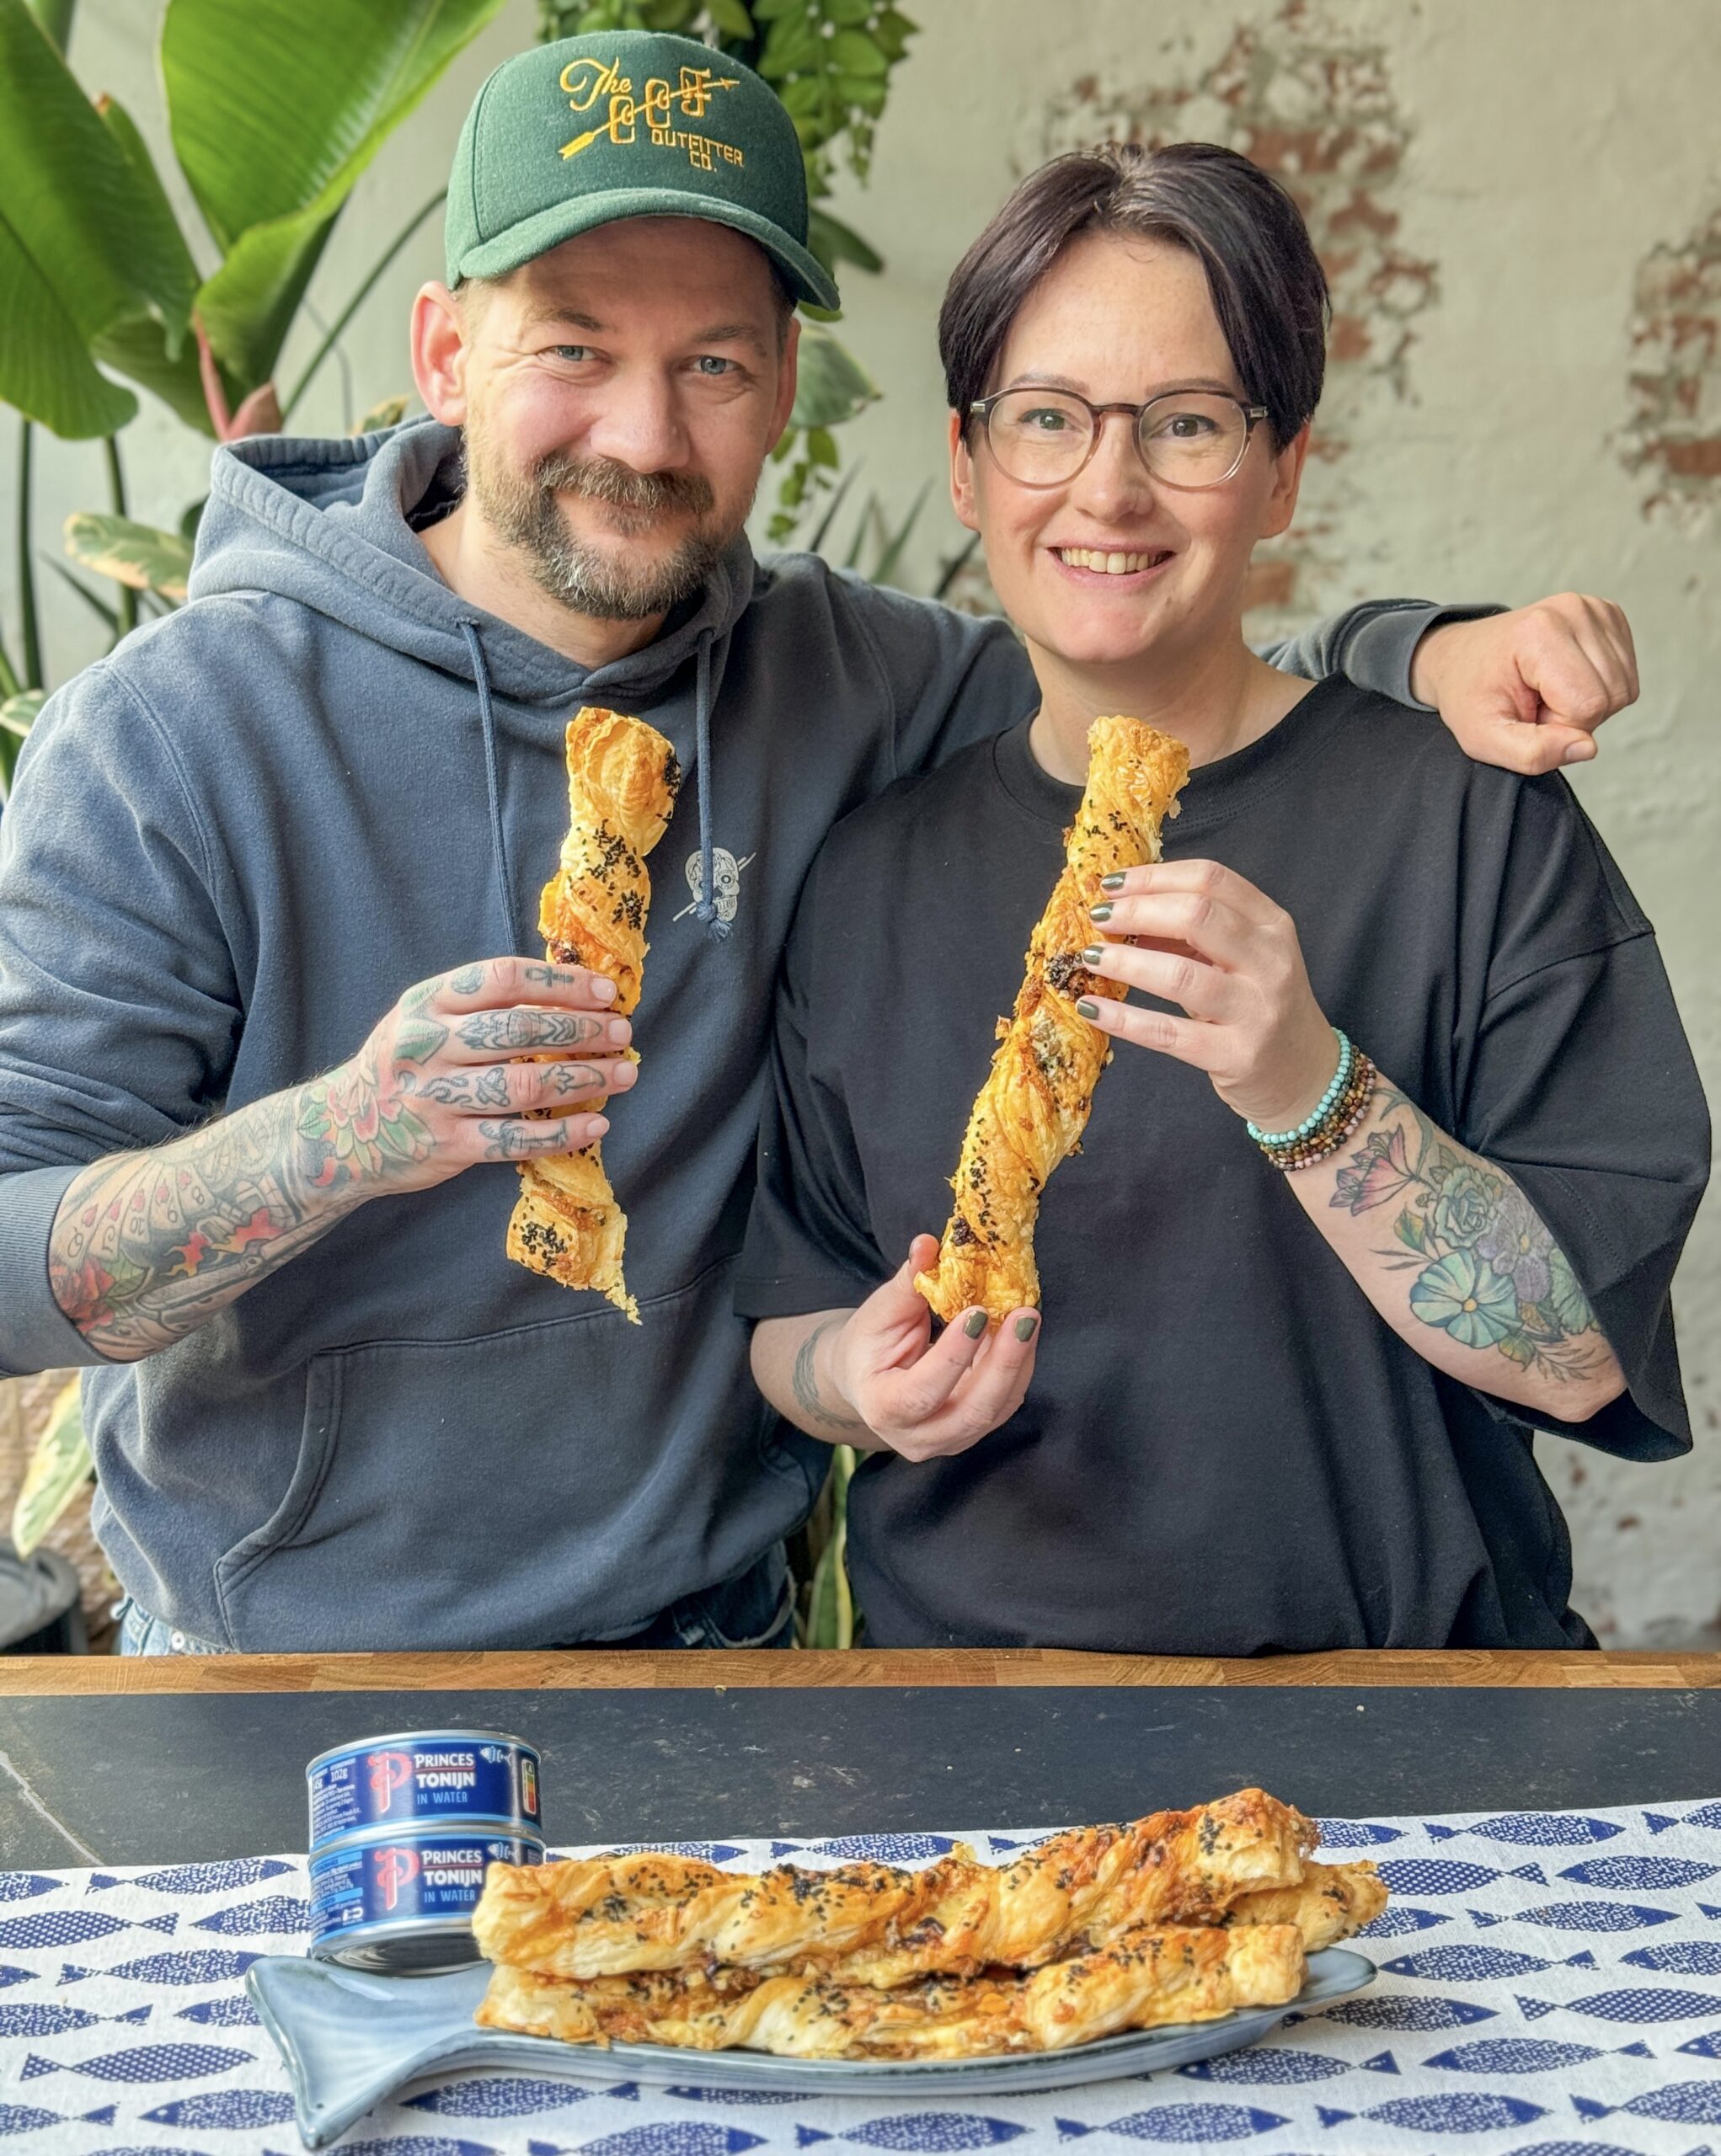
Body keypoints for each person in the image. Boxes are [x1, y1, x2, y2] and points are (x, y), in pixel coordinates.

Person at [0, 35, 1644, 1655]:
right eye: (572, 347)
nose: (641, 435)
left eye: (710, 362)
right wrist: (345, 1135)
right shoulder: (173, 736)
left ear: (781, 384)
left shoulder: (853, 686)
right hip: (283, 1667)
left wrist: (1415, 660)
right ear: (441, 351)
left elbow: (1139, 639)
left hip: (721, 1658)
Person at [741, 141, 1708, 1653]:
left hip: (1408, 1733)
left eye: (1185, 423)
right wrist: (848, 1382)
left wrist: (1312, 1088)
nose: (1107, 488)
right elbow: (781, 1313)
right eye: (1046, 419)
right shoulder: (870, 876)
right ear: (966, 460)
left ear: (1283, 470)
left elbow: (1583, 1357)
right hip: (971, 1748)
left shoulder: (1467, 814)